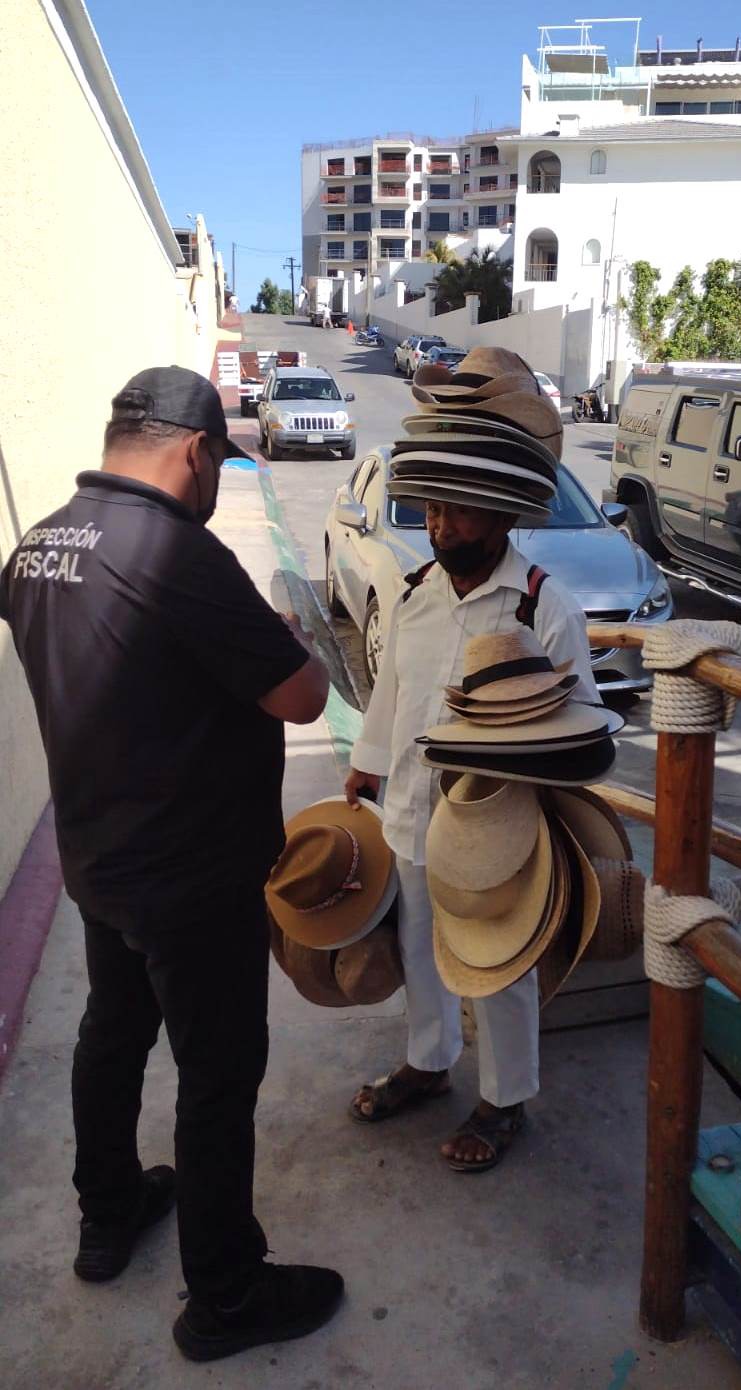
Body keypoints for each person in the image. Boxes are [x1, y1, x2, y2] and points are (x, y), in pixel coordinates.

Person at [0, 366, 344, 1361]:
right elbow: (304, 696)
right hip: (194, 875)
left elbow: (121, 664)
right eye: (217, 466)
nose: (215, 485)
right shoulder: (179, 555)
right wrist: (277, 645)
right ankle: (227, 1294)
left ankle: (108, 1216)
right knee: (218, 1074)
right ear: (193, 451)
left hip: (96, 857)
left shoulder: (38, 545)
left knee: (112, 1034)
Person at [344, 498, 596, 1171]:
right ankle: (428, 1063)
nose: (441, 527)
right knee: (419, 944)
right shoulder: (415, 592)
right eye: (432, 511)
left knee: (497, 964)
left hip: (496, 829)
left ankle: (504, 1100)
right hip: (409, 808)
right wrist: (367, 766)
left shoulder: (543, 606)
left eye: (461, 515)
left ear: (503, 519)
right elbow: (390, 692)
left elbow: (583, 722)